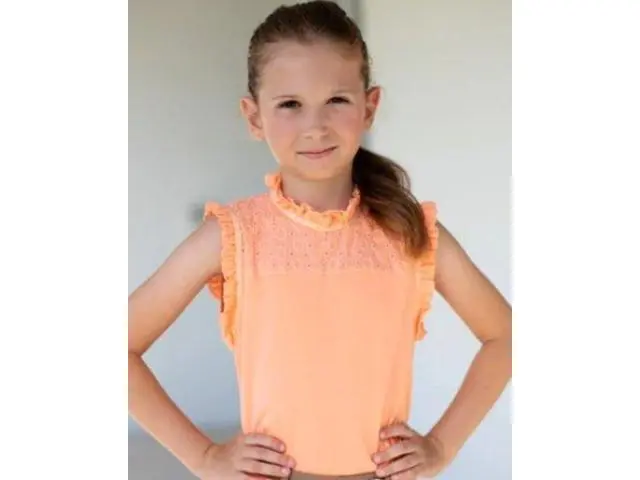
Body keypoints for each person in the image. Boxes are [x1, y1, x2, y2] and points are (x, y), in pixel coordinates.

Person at [128, 1, 512, 479]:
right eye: (290, 104)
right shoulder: (233, 235)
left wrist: (441, 446)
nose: (315, 126)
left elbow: (505, 336)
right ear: (254, 117)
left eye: (337, 100)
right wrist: (204, 457)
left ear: (369, 107)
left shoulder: (411, 232)